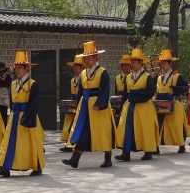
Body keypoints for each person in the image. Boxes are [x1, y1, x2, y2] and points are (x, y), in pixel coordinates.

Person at [0, 51, 45, 177]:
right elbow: (11, 101)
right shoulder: (13, 84)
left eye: (20, 67)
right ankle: (5, 168)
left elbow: (33, 104)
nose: (17, 70)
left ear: (27, 68)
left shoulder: (33, 84)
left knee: (32, 143)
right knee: (8, 141)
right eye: (16, 67)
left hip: (28, 116)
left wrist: (27, 119)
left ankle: (37, 166)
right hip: (14, 116)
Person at [62, 40, 113, 169]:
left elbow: (106, 90)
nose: (87, 61)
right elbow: (80, 90)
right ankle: (75, 159)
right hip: (85, 106)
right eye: (85, 58)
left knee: (103, 132)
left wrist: (100, 104)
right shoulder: (84, 73)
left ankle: (108, 159)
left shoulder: (103, 72)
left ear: (96, 57)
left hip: (98, 107)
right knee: (83, 131)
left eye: (89, 58)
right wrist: (77, 105)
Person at [115, 47, 158, 161]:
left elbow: (151, 92)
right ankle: (126, 152)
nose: (132, 64)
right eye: (131, 62)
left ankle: (148, 151)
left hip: (144, 108)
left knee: (145, 129)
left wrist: (136, 94)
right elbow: (125, 94)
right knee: (126, 129)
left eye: (134, 62)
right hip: (129, 107)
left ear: (141, 63)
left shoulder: (147, 77)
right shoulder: (129, 77)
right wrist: (121, 108)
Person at [154, 49, 189, 154]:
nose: (162, 66)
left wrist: (175, 89)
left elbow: (185, 87)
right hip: (160, 104)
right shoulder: (159, 77)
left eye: (164, 63)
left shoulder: (177, 76)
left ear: (170, 64)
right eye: (161, 64)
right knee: (159, 126)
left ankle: (181, 145)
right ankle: (156, 147)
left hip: (173, 104)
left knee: (176, 126)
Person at [59, 54, 83, 152]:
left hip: (81, 104)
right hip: (73, 105)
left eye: (77, 67)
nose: (75, 69)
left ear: (82, 68)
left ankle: (76, 144)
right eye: (74, 67)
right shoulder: (72, 80)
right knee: (68, 123)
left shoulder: (84, 79)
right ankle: (68, 143)